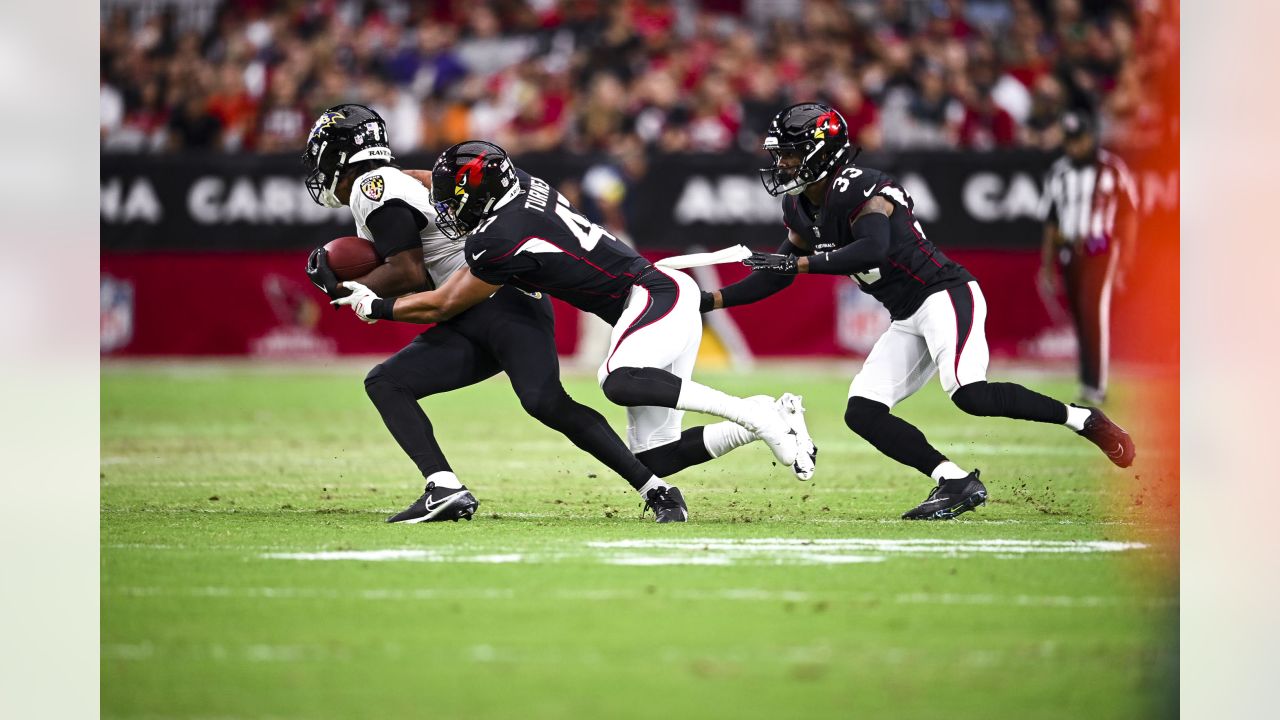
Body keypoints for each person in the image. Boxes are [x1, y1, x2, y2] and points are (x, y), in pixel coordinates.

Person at [332, 140, 818, 524]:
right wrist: (408, 179)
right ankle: (764, 415)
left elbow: (445, 302)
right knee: (658, 458)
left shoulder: (497, 238)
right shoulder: (521, 183)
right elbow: (437, 186)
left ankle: (756, 416)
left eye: (452, 198)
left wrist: (376, 304)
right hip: (656, 294)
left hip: (651, 295)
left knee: (619, 378)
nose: (445, 207)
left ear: (477, 196)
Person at [699, 102, 1135, 520]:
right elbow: (776, 274)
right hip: (906, 314)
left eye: (791, 155)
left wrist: (801, 263)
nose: (783, 165)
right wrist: (708, 302)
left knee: (970, 394)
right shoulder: (798, 206)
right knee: (863, 411)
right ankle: (954, 480)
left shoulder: (858, 185)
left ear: (818, 150)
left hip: (944, 293)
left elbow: (873, 248)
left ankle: (1082, 418)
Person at [301, 105, 711, 523]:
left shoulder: (370, 185)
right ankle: (444, 487)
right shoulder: (401, 178)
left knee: (537, 400)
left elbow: (407, 271)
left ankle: (654, 486)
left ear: (337, 153)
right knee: (402, 384)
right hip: (489, 307)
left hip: (493, 300)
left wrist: (345, 288)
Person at [1038, 111, 1139, 405]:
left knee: (1093, 312)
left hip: (1100, 250)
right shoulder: (1059, 172)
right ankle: (1087, 382)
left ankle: (1097, 385)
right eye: (1069, 141)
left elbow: (1128, 214)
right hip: (1069, 251)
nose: (1074, 147)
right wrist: (1047, 266)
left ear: (1090, 137)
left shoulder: (1111, 169)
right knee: (1080, 317)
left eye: (1079, 140)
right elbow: (1051, 221)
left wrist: (1127, 257)